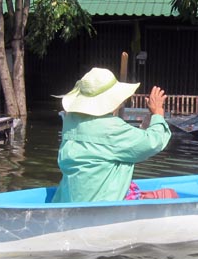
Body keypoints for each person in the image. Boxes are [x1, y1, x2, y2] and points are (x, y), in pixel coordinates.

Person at [52, 67, 172, 203]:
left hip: (70, 198)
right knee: (170, 194)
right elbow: (153, 142)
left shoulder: (70, 121)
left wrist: (144, 126)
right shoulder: (111, 128)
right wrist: (157, 114)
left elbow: (108, 143)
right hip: (100, 203)